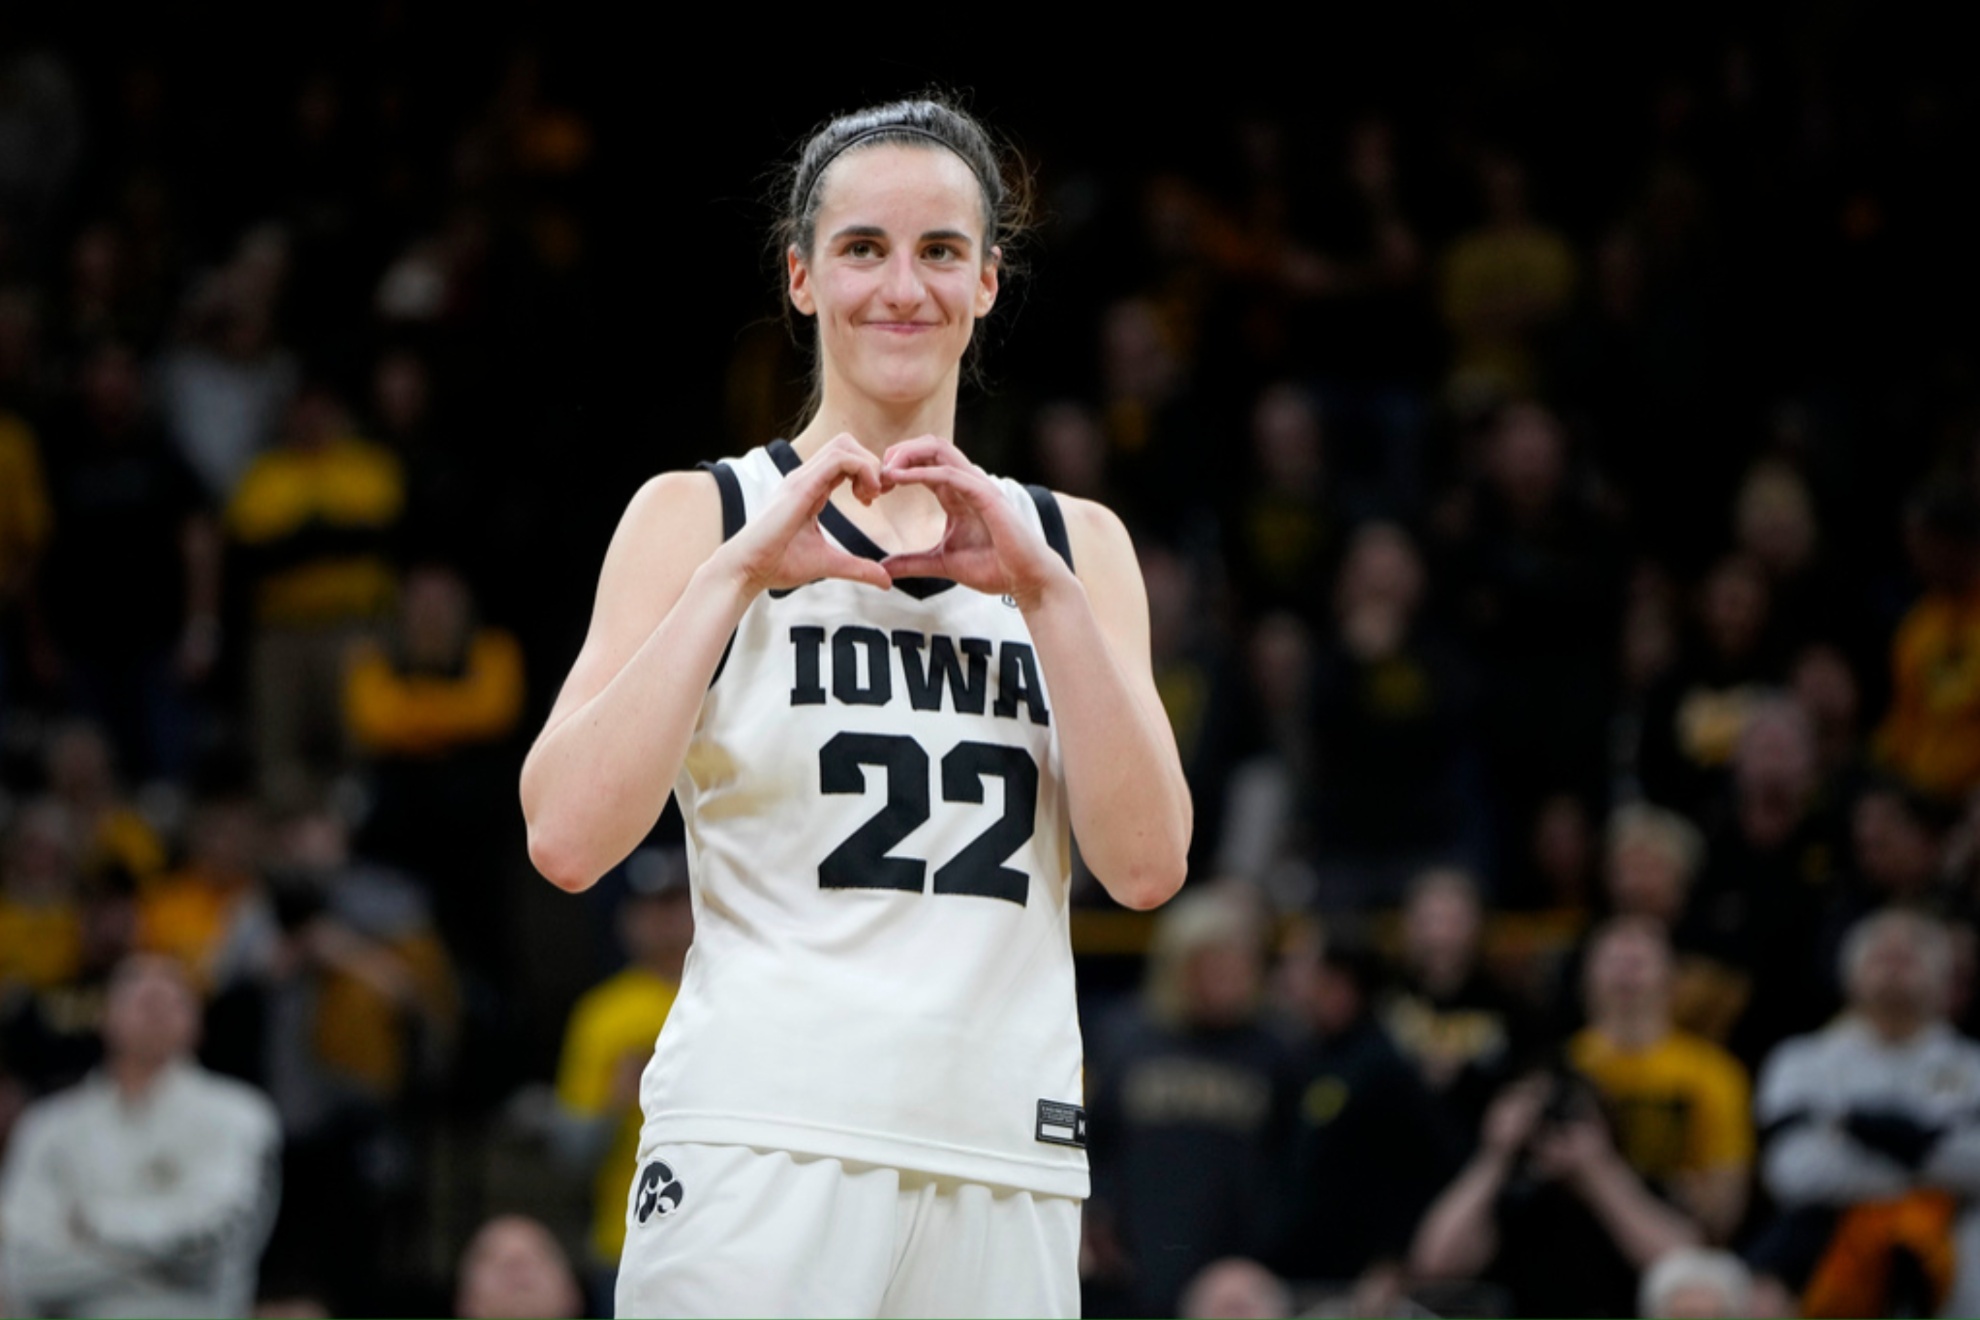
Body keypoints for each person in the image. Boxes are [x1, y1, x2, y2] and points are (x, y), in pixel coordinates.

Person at [519, 98, 1191, 1318]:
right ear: (800, 274)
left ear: (989, 281)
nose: (903, 286)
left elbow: (1147, 867)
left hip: (1003, 1150)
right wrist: (732, 580)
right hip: (759, 1135)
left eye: (941, 251)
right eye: (863, 248)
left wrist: (1047, 597)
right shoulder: (701, 514)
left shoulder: (1075, 545)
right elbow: (565, 837)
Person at [0, 953, 281, 1319]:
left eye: (173, 999)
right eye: (142, 998)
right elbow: (20, 1263)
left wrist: (88, 1223)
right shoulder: (49, 1124)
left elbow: (208, 1251)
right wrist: (157, 1254)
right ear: (104, 1016)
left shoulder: (241, 1115)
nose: (157, 1011)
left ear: (197, 1022)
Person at [1749, 908, 1980, 1318]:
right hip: (1830, 1248)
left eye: (1909, 958)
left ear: (1946, 981)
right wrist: (1929, 1149)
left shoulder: (1974, 1066)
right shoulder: (1801, 1061)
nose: (1894, 968)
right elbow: (1796, 1173)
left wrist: (1865, 1134)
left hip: (1957, 1246)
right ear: (1849, 974)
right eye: (1880, 957)